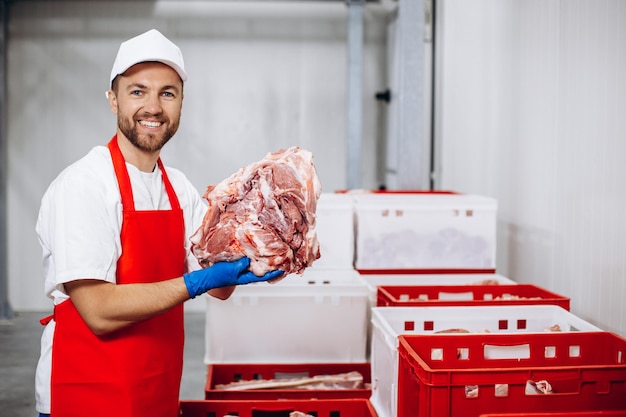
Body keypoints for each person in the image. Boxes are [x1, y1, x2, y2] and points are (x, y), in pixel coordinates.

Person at [34, 29, 283, 417]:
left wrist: (261, 235)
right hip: (84, 393)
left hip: (154, 390)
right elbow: (98, 311)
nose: (153, 106)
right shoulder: (83, 185)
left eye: (167, 93)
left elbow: (220, 288)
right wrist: (197, 282)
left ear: (181, 103)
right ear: (112, 99)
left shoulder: (178, 188)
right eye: (137, 91)